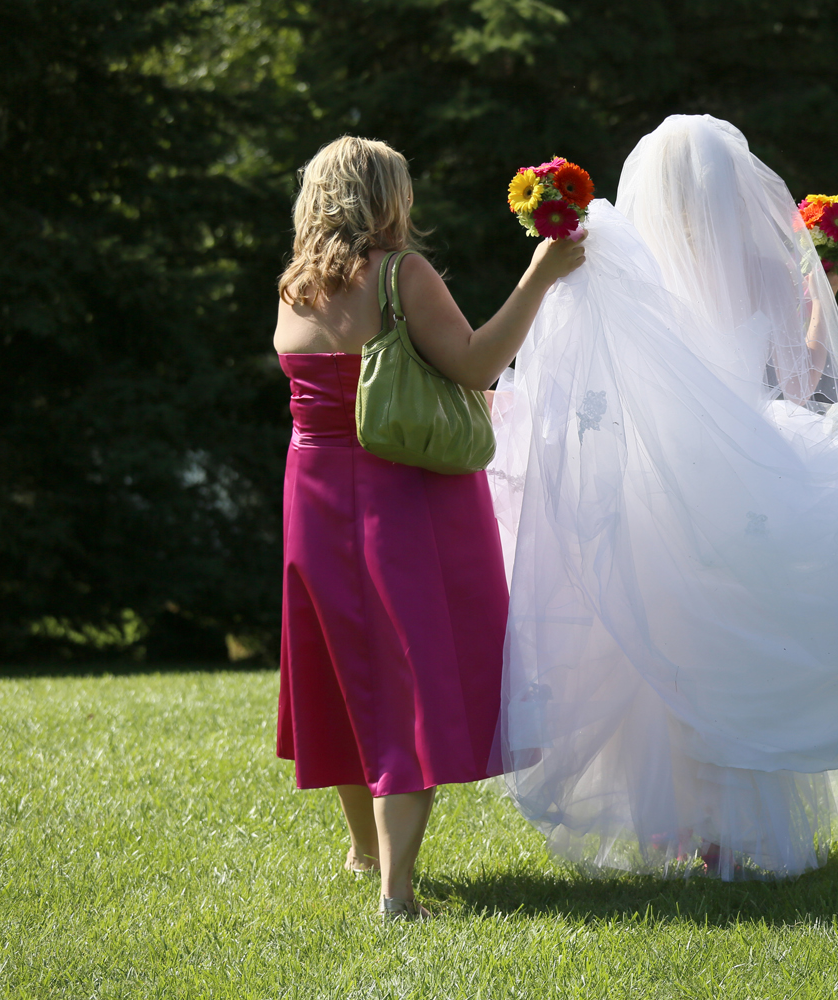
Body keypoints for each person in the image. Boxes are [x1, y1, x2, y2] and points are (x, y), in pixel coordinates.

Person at [486, 115, 838, 879]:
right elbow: (797, 378)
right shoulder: (761, 268)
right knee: (736, 650)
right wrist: (822, 300)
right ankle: (734, 832)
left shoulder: (624, 264)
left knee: (665, 648)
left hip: (656, 484)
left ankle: (678, 824)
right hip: (744, 478)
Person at [272, 135, 583, 918]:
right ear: (386, 197)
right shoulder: (401, 274)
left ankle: (364, 853)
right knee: (412, 678)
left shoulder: (295, 287)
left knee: (345, 677)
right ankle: (396, 895)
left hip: (314, 495)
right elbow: (475, 364)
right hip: (405, 492)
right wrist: (540, 276)